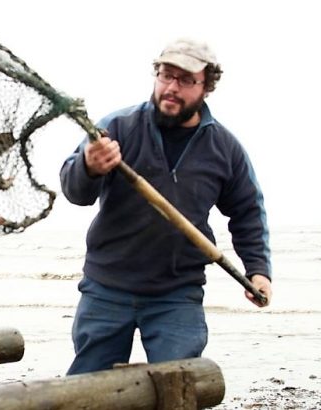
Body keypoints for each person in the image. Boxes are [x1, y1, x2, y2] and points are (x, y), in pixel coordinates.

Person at [60, 38, 272, 375]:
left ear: (207, 86)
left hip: (177, 295)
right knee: (87, 391)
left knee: (180, 388)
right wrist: (89, 166)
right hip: (106, 289)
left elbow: (247, 212)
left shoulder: (224, 148)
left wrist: (258, 270)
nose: (171, 87)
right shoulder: (117, 129)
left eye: (185, 80)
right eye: (165, 75)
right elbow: (75, 191)